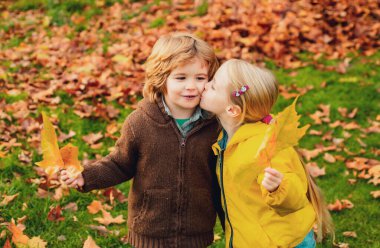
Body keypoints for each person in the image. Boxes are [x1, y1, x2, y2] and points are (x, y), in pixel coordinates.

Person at [60, 33, 224, 248]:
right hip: (150, 229)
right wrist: (86, 177)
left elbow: (224, 174)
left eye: (200, 78)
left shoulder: (215, 124)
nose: (191, 86)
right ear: (161, 79)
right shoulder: (140, 123)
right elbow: (119, 163)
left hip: (196, 230)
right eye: (181, 78)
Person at [200, 59, 334, 247]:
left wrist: (278, 187)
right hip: (253, 237)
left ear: (232, 110)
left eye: (213, 86)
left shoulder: (265, 146)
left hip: (281, 242)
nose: (204, 86)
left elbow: (295, 193)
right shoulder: (227, 137)